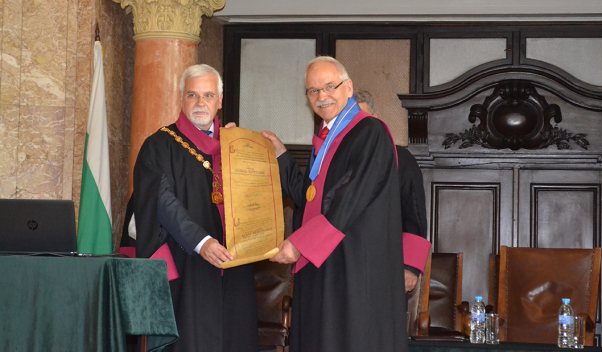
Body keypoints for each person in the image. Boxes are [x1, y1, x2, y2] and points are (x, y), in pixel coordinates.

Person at [262, 56, 407, 352]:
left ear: (348, 87)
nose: (321, 96)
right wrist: (280, 155)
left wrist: (301, 244)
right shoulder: (327, 135)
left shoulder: (370, 132)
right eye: (313, 90)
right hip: (327, 263)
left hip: (354, 267)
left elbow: (348, 198)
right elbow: (311, 198)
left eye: (330, 86)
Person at [130, 64, 258, 352]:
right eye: (192, 95)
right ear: (181, 99)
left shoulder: (237, 145)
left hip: (235, 263)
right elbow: (162, 202)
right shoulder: (159, 145)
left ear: (220, 101)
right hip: (188, 262)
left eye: (208, 95)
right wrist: (202, 242)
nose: (201, 103)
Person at [354, 90, 431, 293]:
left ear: (376, 120)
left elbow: (414, 214)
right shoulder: (336, 161)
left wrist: (410, 266)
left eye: (363, 120)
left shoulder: (401, 159)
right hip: (346, 264)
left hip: (387, 264)